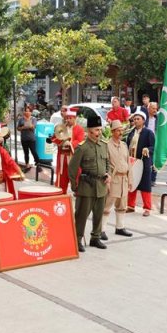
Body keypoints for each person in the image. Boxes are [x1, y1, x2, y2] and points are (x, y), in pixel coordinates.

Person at [68, 114, 111, 252]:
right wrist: (75, 187)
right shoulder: (82, 147)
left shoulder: (104, 145)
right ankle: (77, 238)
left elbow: (107, 162)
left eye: (100, 129)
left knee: (99, 214)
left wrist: (108, 173)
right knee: (82, 215)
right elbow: (72, 169)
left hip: (101, 185)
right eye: (97, 130)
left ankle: (95, 238)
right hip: (86, 186)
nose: (99, 132)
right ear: (89, 131)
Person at [102, 120, 133, 240]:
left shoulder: (124, 145)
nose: (121, 132)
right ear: (113, 131)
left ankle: (120, 227)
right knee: (106, 206)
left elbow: (128, 163)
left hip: (123, 179)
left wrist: (130, 179)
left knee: (122, 205)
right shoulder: (106, 145)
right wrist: (107, 179)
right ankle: (101, 230)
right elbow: (106, 164)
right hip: (113, 179)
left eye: (121, 130)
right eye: (118, 130)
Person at [126, 111, 155, 216]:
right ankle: (130, 206)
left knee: (145, 185)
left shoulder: (149, 133)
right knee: (131, 184)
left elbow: (153, 147)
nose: (136, 121)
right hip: (132, 161)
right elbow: (127, 145)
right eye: (135, 119)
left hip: (144, 162)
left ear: (143, 120)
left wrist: (148, 149)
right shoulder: (131, 132)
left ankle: (147, 208)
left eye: (138, 119)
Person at [52, 106, 85, 194]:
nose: (68, 120)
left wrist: (70, 144)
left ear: (75, 118)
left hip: (73, 157)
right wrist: (60, 140)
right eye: (67, 118)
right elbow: (54, 138)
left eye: (70, 118)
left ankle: (78, 193)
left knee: (76, 176)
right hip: (62, 157)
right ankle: (60, 194)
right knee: (61, 177)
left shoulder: (79, 129)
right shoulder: (61, 127)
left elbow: (80, 141)